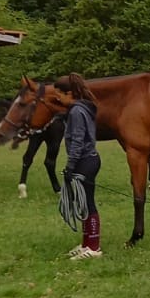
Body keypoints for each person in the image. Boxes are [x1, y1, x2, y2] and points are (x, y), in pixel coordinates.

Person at [58, 73, 102, 260]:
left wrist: (70, 166)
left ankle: (94, 247)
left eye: (59, 94)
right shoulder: (81, 109)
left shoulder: (76, 111)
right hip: (87, 160)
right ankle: (86, 244)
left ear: (69, 93)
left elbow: (77, 141)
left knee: (88, 203)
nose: (58, 98)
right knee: (83, 204)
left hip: (85, 161)